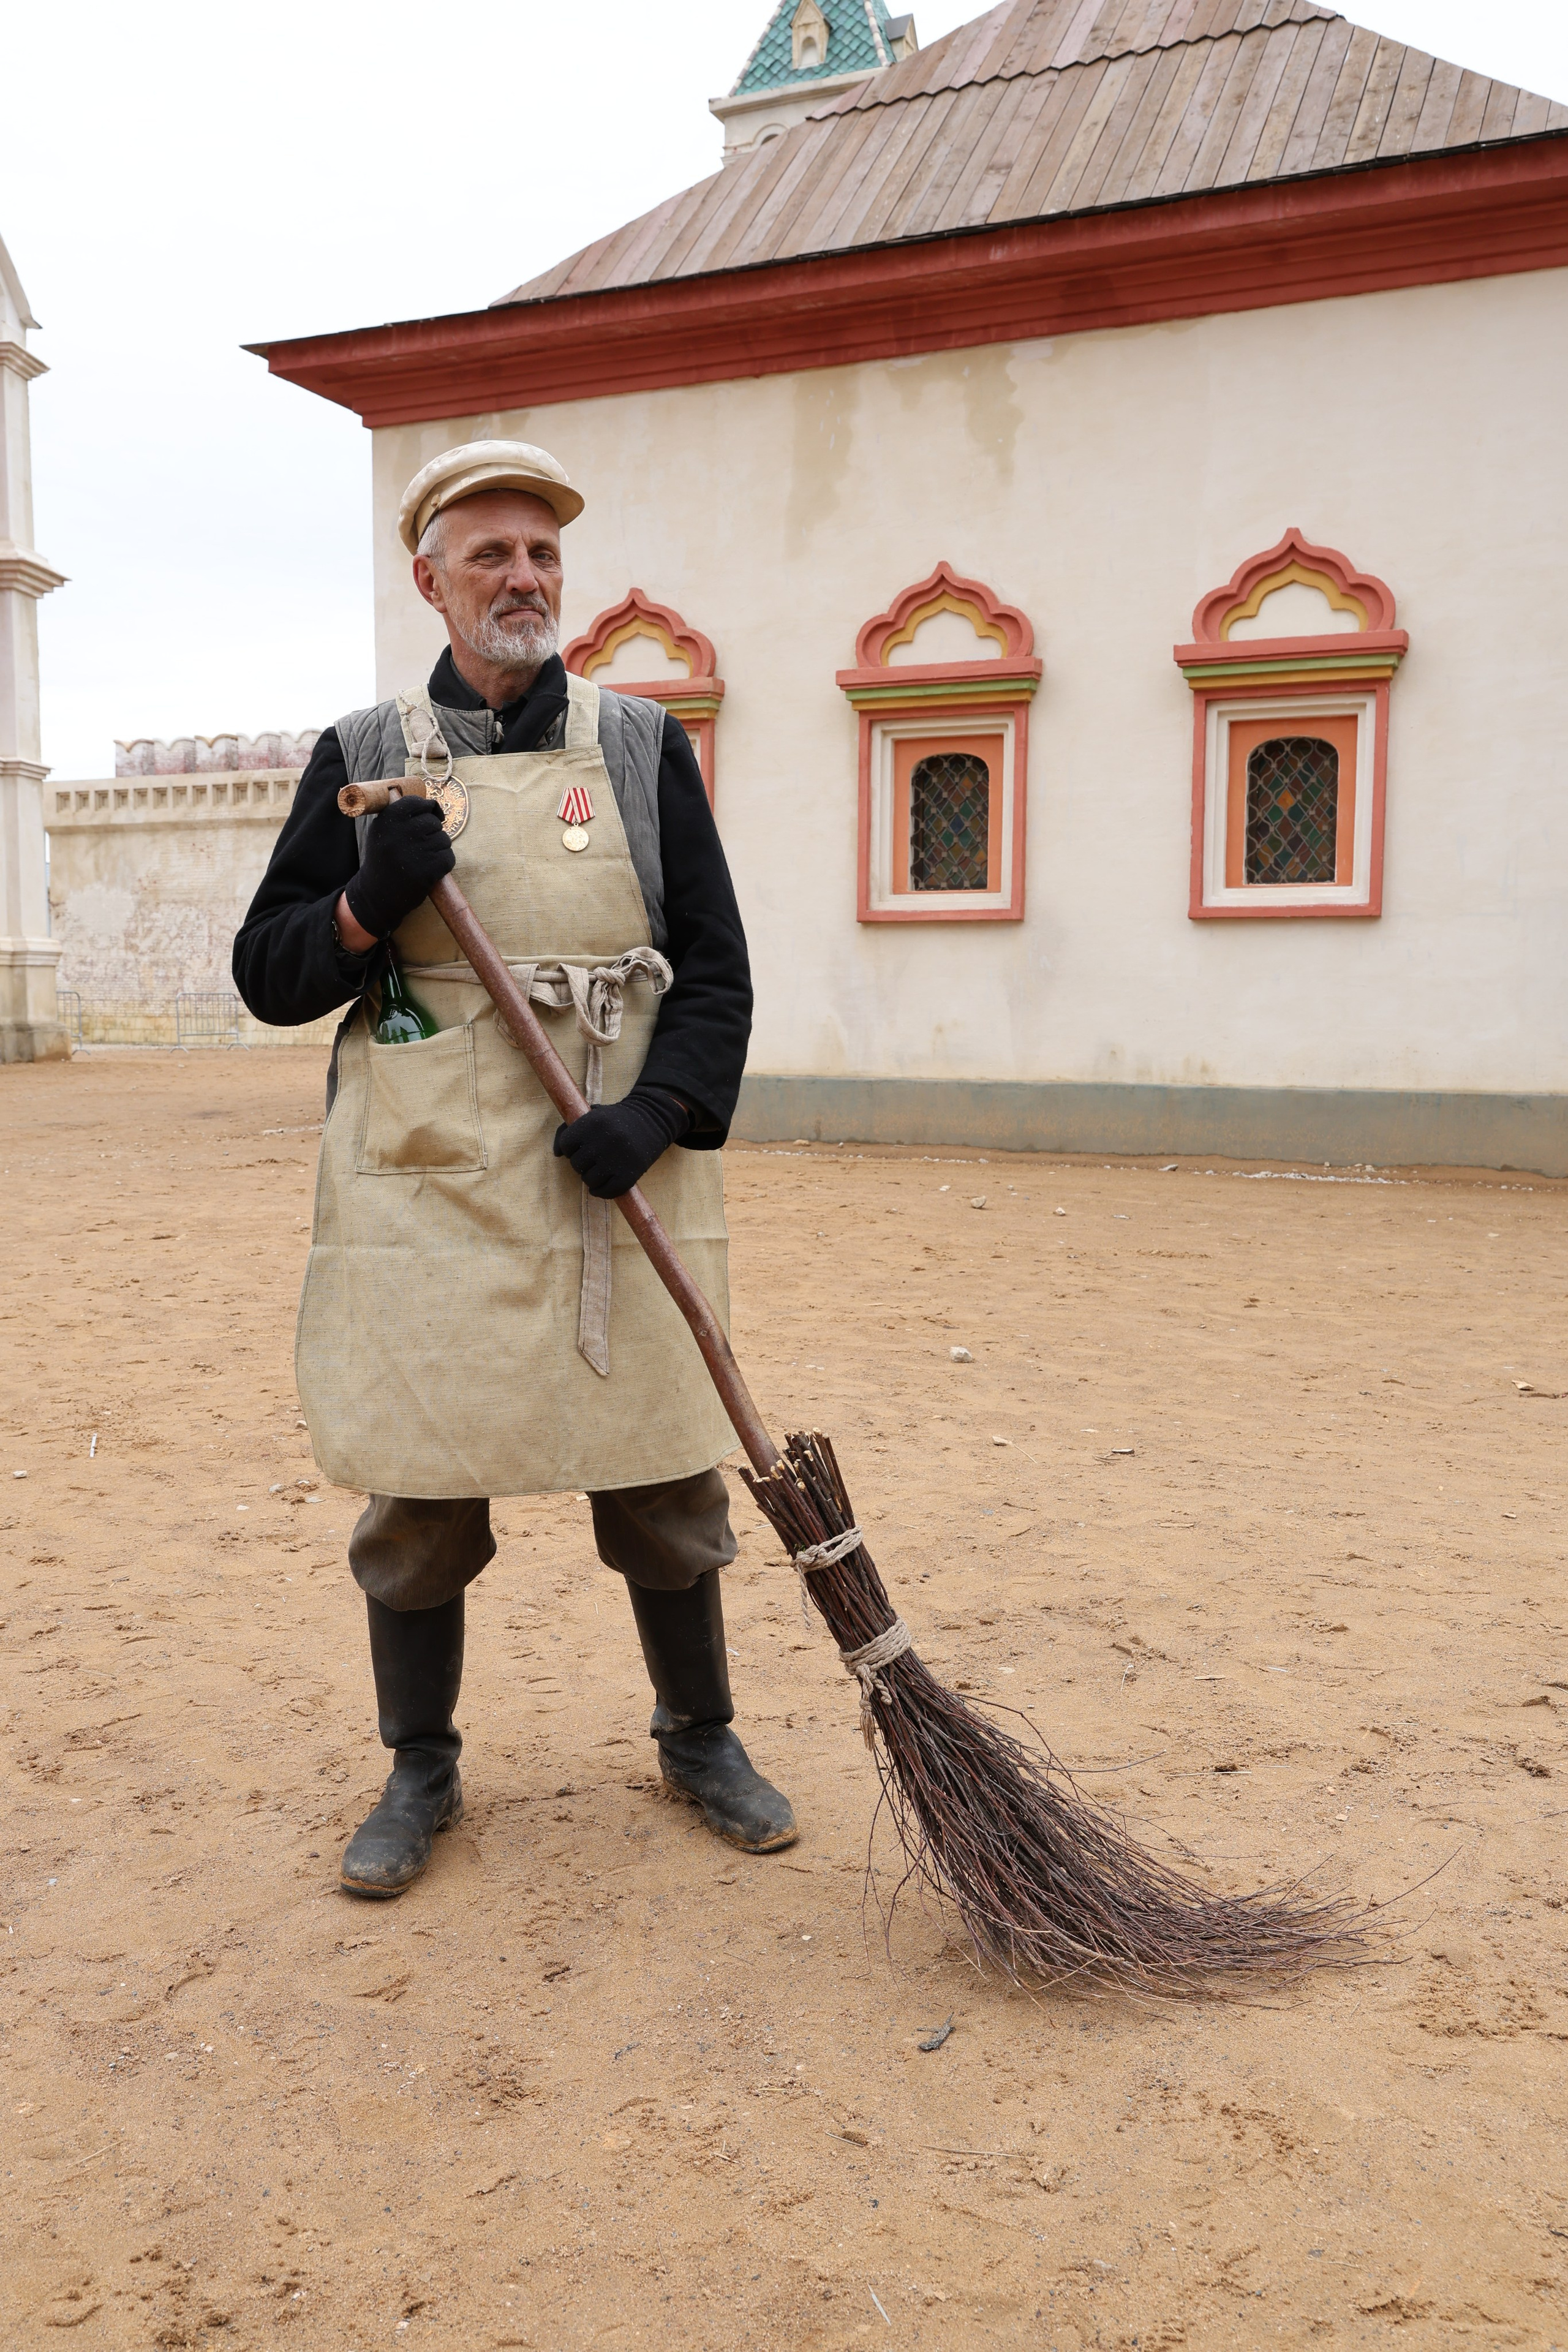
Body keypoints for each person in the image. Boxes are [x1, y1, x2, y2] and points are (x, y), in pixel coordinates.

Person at [233, 439, 796, 1897]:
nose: (524, 578)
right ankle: (420, 1768)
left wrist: (661, 1107)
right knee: (419, 1496)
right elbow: (270, 974)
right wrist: (363, 907)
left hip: (611, 1168)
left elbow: (721, 976)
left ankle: (698, 1735)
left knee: (667, 1481)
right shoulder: (362, 762)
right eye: (490, 553)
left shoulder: (634, 746)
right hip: (425, 1189)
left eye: (542, 552)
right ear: (430, 582)